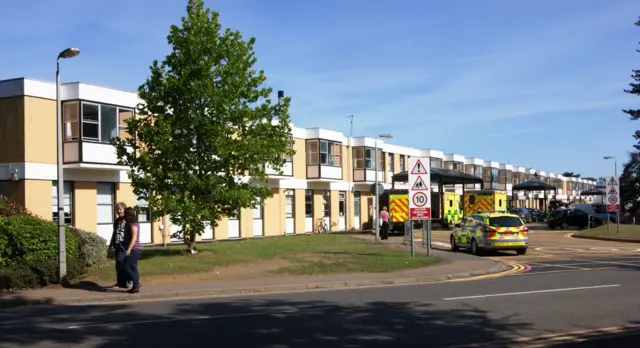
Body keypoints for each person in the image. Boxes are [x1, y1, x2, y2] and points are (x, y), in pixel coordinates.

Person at [108, 202, 131, 290]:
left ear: (124, 210)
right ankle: (121, 282)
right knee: (118, 265)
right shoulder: (117, 221)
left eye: (121, 209)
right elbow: (114, 233)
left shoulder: (128, 219)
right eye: (117, 210)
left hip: (125, 245)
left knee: (123, 264)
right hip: (118, 245)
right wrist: (111, 243)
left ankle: (129, 281)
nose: (119, 211)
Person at [122, 207, 143, 294]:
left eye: (125, 213)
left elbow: (134, 238)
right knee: (133, 267)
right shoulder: (132, 224)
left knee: (126, 266)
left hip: (135, 249)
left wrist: (129, 249)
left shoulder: (133, 225)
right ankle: (135, 287)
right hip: (134, 249)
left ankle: (136, 283)